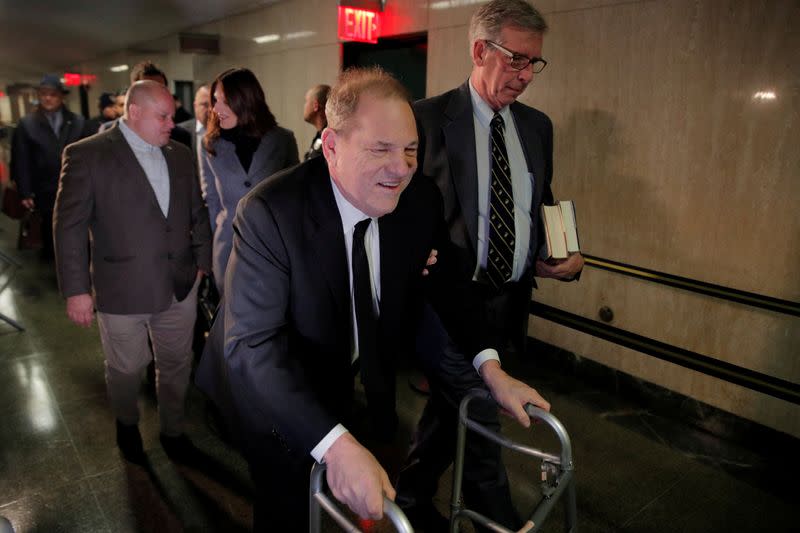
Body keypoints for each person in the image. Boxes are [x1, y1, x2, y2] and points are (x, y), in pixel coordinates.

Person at [195, 66, 549, 533]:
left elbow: (450, 286)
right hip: (270, 388)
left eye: (409, 149)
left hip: (349, 369)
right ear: (332, 147)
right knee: (285, 506)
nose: (401, 167)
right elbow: (253, 347)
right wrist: (334, 445)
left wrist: (491, 369)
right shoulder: (271, 212)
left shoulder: (418, 197)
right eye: (380, 149)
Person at [395, 1, 585, 529]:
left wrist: (560, 252)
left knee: (448, 412)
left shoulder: (537, 127)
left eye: (535, 64)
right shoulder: (425, 118)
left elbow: (539, 199)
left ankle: (410, 493)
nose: (527, 76)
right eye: (517, 60)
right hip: (444, 303)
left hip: (506, 300)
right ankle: (497, 521)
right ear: (480, 51)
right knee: (481, 414)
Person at [53, 80, 212, 464]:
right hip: (121, 288)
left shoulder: (178, 153)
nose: (171, 123)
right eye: (163, 116)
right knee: (126, 368)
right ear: (134, 112)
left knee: (177, 365)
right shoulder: (87, 154)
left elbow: (197, 212)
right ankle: (127, 423)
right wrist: (76, 291)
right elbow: (68, 225)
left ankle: (173, 430)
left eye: (173, 115)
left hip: (179, 285)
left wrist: (202, 263)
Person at [199, 67, 298, 293]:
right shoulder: (209, 145)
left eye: (224, 101)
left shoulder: (282, 140)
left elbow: (293, 199)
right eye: (215, 100)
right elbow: (211, 201)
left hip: (273, 249)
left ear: (245, 100)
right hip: (228, 249)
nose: (216, 109)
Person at [10, 74, 85, 261]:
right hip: (44, 189)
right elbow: (21, 160)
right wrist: (25, 191)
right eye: (43, 94)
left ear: (61, 96)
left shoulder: (78, 122)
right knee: (50, 229)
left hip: (76, 187)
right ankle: (55, 266)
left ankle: (78, 262)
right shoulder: (27, 125)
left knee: (77, 227)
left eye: (52, 94)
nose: (48, 98)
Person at [99, 61, 192, 149]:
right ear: (132, 91)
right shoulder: (109, 133)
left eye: (159, 88)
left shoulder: (181, 137)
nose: (154, 95)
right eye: (147, 89)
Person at [177, 84, 211, 164]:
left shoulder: (228, 132)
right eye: (205, 105)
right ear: (195, 106)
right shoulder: (179, 132)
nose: (211, 109)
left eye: (213, 104)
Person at [302, 83, 330, 160]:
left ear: (315, 106)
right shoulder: (320, 135)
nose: (304, 106)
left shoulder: (329, 138)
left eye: (306, 101)